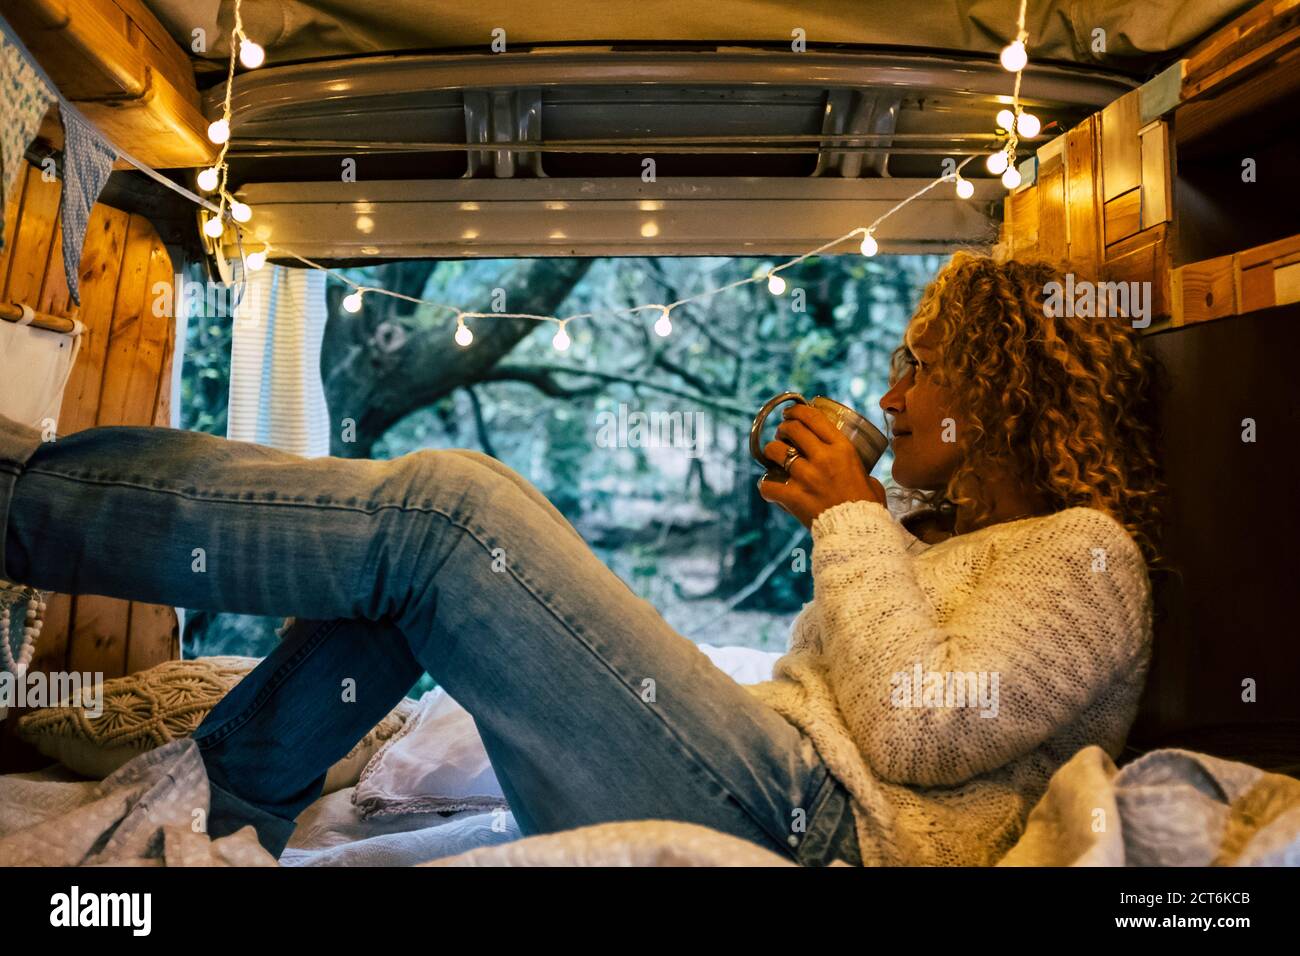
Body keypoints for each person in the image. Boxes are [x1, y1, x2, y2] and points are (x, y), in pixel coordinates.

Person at [0, 251, 1164, 866]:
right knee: (427, 571)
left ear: (1001, 387)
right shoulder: (948, 534)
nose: (890, 388)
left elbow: (920, 725)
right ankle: (227, 798)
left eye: (921, 360)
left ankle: (18, 502)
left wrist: (849, 518)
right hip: (771, 776)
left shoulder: (1088, 558)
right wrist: (869, 521)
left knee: (450, 515)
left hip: (812, 828)